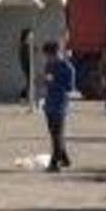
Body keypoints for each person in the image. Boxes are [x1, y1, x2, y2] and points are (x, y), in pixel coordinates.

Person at [41, 37, 77, 170]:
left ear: (56, 53)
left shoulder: (67, 67)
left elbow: (69, 87)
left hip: (60, 103)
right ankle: (65, 158)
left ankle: (54, 163)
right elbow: (47, 82)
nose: (47, 59)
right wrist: (45, 81)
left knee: (57, 134)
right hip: (49, 103)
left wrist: (53, 81)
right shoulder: (49, 65)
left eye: (49, 56)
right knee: (54, 133)